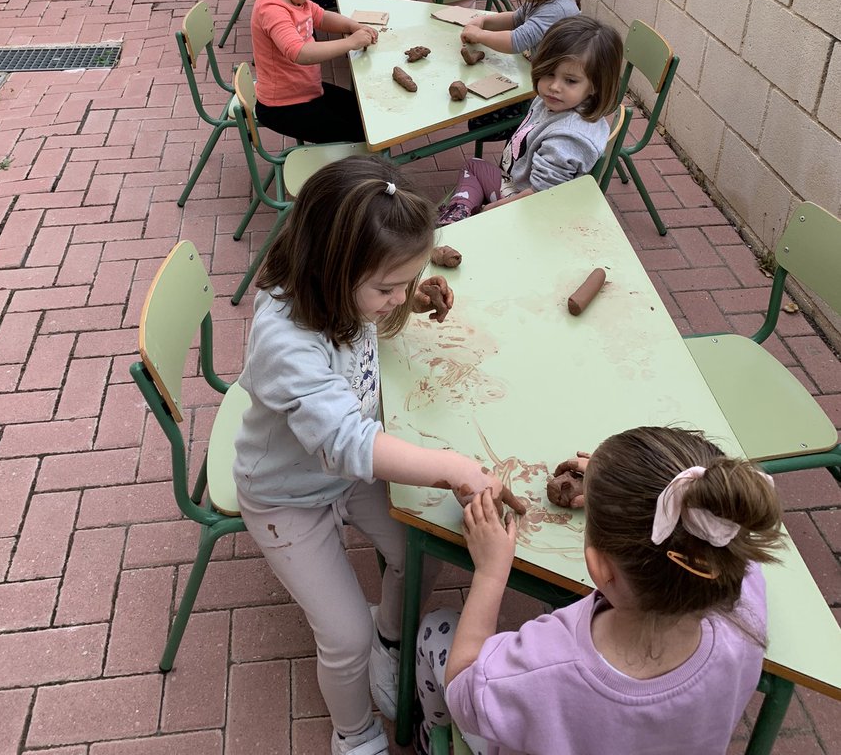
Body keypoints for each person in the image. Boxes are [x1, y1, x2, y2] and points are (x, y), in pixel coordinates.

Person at [233, 155, 526, 755]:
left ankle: (390, 642)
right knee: (341, 636)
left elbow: (352, 436)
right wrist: (451, 468)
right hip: (285, 496)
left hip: (343, 475)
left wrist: (409, 298)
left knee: (419, 554)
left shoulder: (345, 292)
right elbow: (346, 442)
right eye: (386, 288)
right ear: (330, 269)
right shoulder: (285, 336)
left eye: (404, 281)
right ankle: (355, 733)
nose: (394, 299)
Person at [415, 425, 783, 755]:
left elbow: (463, 691)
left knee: (435, 628)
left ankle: (428, 737)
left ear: (599, 567)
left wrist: (491, 574)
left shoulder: (545, 666)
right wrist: (624, 489)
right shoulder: (744, 611)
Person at [437, 16, 621, 224]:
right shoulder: (555, 102)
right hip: (517, 186)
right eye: (549, 74)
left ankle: (459, 216)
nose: (554, 86)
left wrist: (487, 212)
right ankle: (459, 210)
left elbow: (538, 196)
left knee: (473, 188)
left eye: (570, 80)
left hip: (529, 210)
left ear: (595, 85)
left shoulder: (567, 139)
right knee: (473, 165)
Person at [249, 0, 375, 142]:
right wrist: (350, 43)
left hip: (306, 92)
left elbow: (322, 17)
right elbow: (299, 53)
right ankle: (344, 174)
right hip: (283, 107)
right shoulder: (271, 9)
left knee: (365, 114)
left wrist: (352, 25)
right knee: (360, 134)